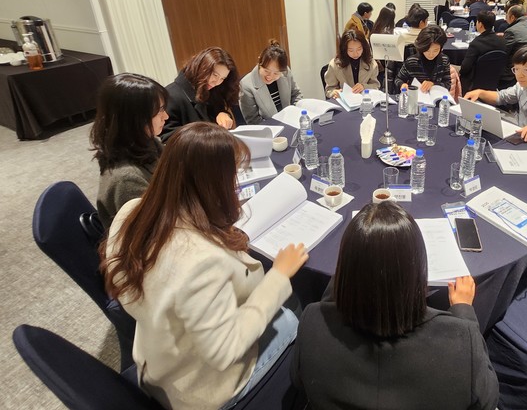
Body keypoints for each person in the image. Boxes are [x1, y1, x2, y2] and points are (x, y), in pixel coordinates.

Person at [102, 122, 309, 410]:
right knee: (293, 315)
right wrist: (279, 275)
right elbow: (226, 350)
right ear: (211, 185)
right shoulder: (201, 262)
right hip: (199, 389)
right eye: (232, 176)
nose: (236, 185)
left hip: (158, 359)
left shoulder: (131, 212)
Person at [291, 202, 499, 410]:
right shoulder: (462, 342)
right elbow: (487, 401)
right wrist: (463, 310)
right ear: (417, 270)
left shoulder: (312, 323)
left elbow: (299, 380)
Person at [90, 73, 168, 228]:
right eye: (159, 110)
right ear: (134, 118)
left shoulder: (147, 143)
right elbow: (153, 232)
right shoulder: (127, 180)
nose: (166, 116)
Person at [162, 47, 241, 141]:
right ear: (201, 68)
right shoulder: (171, 95)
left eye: (222, 78)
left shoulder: (212, 90)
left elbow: (217, 111)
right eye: (215, 75)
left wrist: (223, 114)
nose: (217, 82)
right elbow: (168, 137)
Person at [239, 40, 302, 123]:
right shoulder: (246, 85)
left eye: (276, 73)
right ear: (259, 63)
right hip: (268, 127)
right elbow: (253, 120)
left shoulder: (285, 72)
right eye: (266, 71)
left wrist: (294, 114)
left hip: (291, 121)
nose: (270, 76)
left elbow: (296, 94)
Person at [459, 11, 507, 93]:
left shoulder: (476, 43)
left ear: (480, 24)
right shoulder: (502, 41)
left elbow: (465, 68)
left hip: (473, 83)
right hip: (495, 80)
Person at [324, 30, 380, 99]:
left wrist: (364, 87)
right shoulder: (335, 65)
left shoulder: (371, 63)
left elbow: (375, 85)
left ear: (364, 47)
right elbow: (329, 89)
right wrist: (335, 92)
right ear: (344, 49)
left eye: (359, 49)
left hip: (365, 101)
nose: (355, 54)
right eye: (351, 50)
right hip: (344, 101)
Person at [395, 25, 451, 93]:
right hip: (415, 96)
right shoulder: (412, 62)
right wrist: (402, 84)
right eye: (427, 50)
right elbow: (398, 79)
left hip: (437, 96)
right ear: (422, 48)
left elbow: (448, 84)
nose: (431, 54)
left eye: (436, 50)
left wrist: (433, 84)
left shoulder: (444, 60)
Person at [499, 4, 527, 87]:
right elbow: (522, 37)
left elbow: (503, 52)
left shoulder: (511, 31)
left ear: (512, 17)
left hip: (512, 69)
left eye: (507, 16)